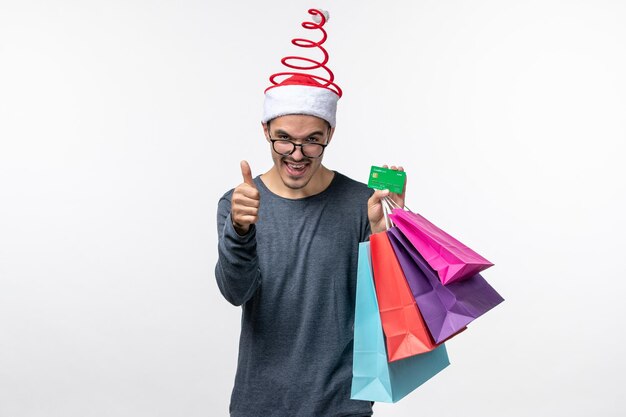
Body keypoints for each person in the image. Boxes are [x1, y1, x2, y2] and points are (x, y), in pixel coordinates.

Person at [215, 9, 404, 417]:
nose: (296, 155)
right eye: (284, 139)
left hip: (341, 406)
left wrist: (388, 233)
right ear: (265, 130)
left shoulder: (362, 203)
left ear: (330, 134)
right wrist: (240, 231)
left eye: (312, 141)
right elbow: (235, 293)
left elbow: (388, 308)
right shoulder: (240, 202)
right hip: (259, 403)